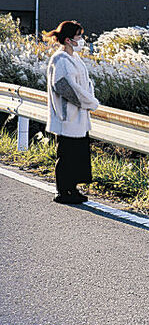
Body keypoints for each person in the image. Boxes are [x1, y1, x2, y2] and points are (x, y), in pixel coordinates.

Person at [44, 21, 99, 204]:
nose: (81, 40)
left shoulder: (75, 58)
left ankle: (72, 189)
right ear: (68, 40)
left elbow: (87, 84)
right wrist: (89, 103)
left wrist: (89, 100)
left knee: (77, 154)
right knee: (66, 154)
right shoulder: (59, 59)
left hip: (80, 116)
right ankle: (62, 192)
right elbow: (66, 87)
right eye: (78, 36)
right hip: (67, 116)